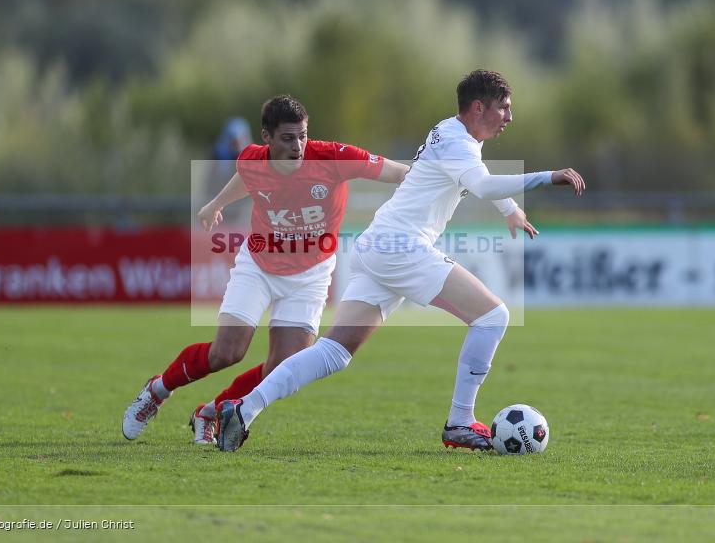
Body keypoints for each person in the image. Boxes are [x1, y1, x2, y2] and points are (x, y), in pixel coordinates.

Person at [216, 69, 585, 452]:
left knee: (334, 353)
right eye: (504, 108)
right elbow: (482, 184)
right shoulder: (457, 142)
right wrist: (548, 176)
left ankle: (243, 409)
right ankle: (460, 421)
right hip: (403, 248)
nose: (509, 117)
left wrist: (509, 209)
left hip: (379, 244)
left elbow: (477, 176)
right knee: (493, 317)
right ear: (479, 108)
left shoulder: (453, 133)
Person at [122, 94, 410, 444]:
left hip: (310, 275)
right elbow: (246, 178)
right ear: (267, 137)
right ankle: (156, 391)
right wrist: (216, 203)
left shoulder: (332, 157)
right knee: (226, 353)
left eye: (302, 136)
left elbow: (397, 172)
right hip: (259, 266)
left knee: (284, 369)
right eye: (288, 138)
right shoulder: (251, 159)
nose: (298, 146)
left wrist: (438, 182)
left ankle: (210, 412)